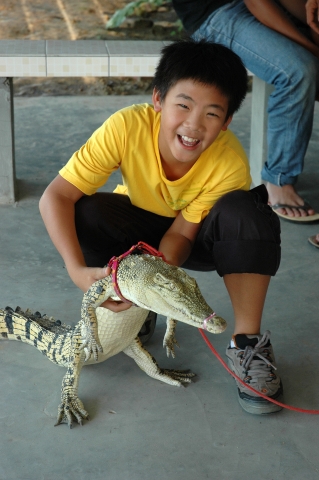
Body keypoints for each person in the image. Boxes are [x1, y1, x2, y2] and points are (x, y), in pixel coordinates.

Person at [39, 39, 282, 415]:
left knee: (246, 212)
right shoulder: (126, 127)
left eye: (212, 114)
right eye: (183, 105)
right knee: (87, 211)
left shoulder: (229, 162)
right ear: (158, 100)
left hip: (196, 238)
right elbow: (54, 197)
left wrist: (158, 278)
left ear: (228, 120)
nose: (193, 124)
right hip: (136, 233)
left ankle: (247, 344)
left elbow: (182, 234)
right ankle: (140, 306)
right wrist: (78, 270)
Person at [172, 0, 319, 222]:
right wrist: (312, 50)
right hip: (216, 11)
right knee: (298, 71)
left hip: (277, 5)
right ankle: (279, 181)